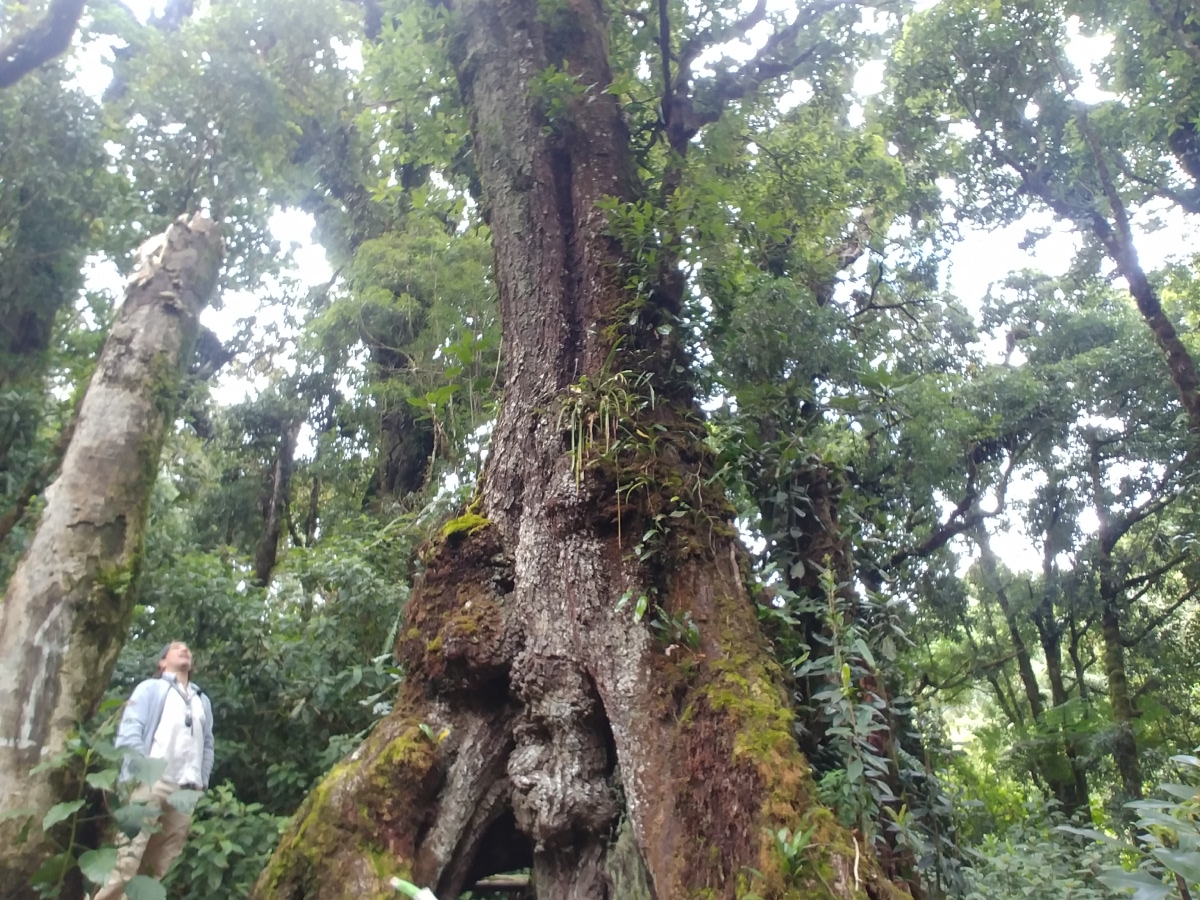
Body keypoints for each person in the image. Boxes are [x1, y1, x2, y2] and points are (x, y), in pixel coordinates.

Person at [92, 641, 214, 900]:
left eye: (187, 648)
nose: (185, 650)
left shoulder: (202, 699)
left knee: (156, 866)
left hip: (185, 790)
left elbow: (208, 744)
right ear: (162, 662)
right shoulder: (150, 688)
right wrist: (136, 774)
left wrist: (201, 782)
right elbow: (131, 730)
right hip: (151, 782)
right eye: (176, 648)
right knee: (126, 860)